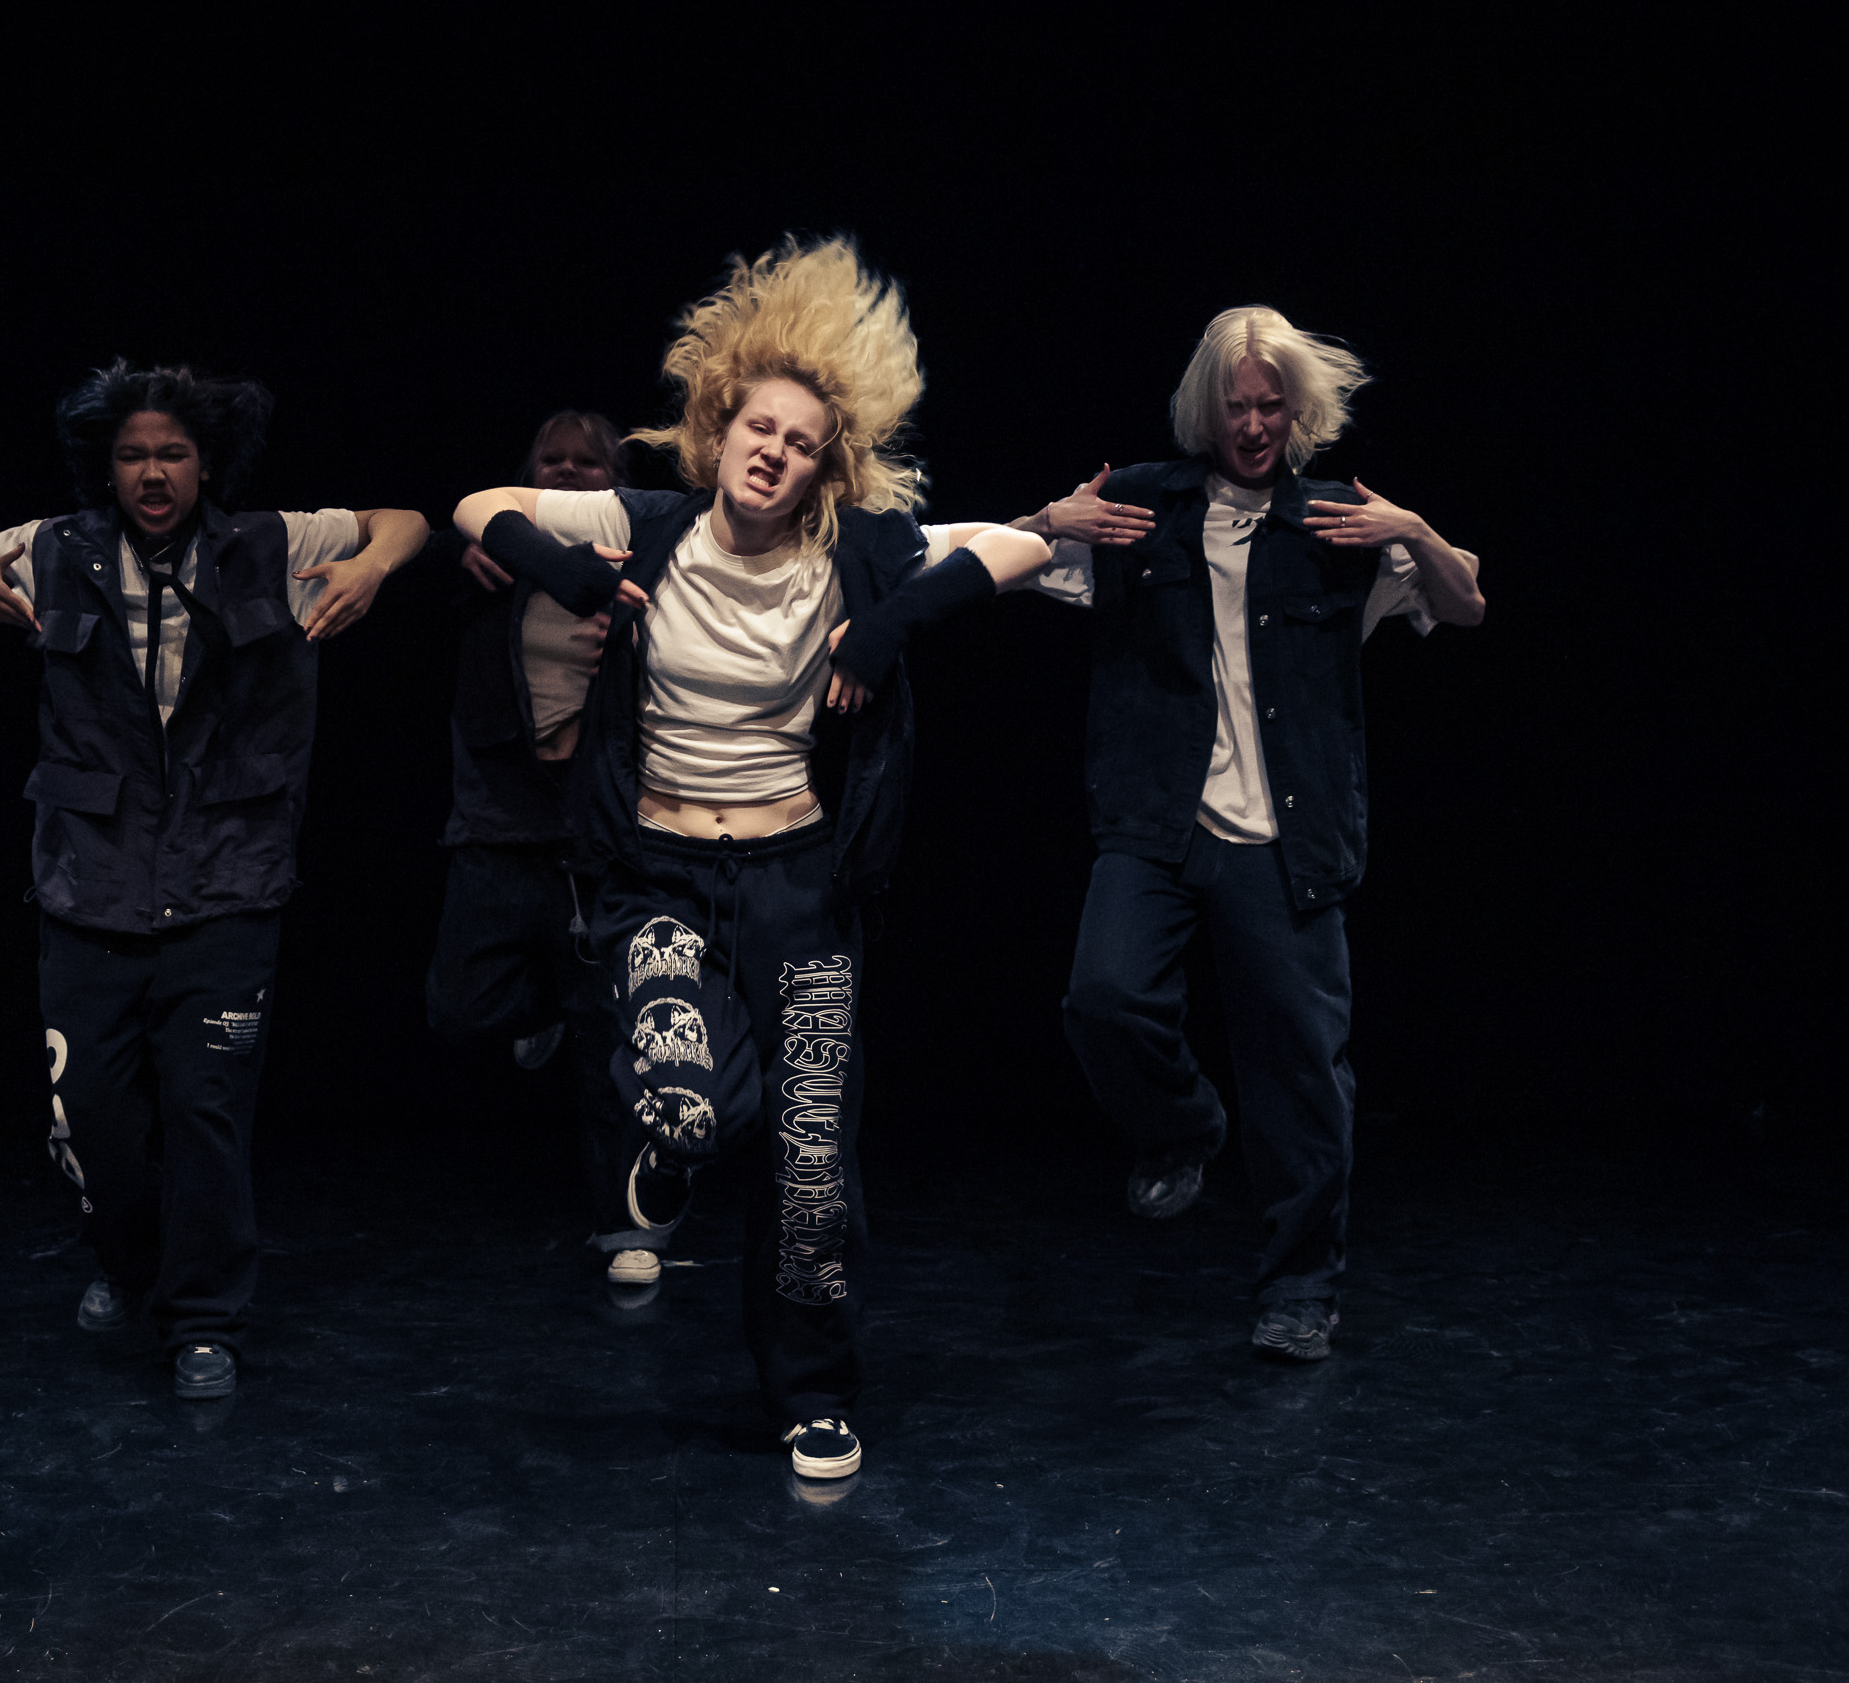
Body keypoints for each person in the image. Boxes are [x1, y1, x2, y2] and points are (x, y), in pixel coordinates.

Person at [452, 237, 1051, 1480]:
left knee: (813, 1158)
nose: (774, 451)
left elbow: (1023, 548)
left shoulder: (855, 550)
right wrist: (567, 573)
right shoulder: (649, 523)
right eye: (758, 427)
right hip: (658, 878)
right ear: (718, 426)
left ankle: (812, 1393)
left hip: (800, 888)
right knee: (688, 1094)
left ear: (827, 463)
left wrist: (885, 625)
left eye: (802, 441)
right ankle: (664, 1150)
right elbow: (477, 507)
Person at [0, 361, 427, 1400]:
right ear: (105, 466)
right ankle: (131, 1264)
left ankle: (204, 1320)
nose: (152, 472)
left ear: (207, 462)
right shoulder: (57, 547)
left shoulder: (271, 542)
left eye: (171, 453)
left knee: (208, 1111)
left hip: (226, 875)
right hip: (91, 878)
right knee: (90, 1119)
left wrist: (372, 567)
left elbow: (406, 519)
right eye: (132, 455)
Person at [1014, 307, 1485, 1363]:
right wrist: (1046, 520)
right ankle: (1182, 1124)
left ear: (1297, 409)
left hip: (1287, 837)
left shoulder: (1339, 521)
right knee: (1103, 996)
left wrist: (1413, 529)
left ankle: (1299, 1290)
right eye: (1238, 406)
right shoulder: (1141, 505)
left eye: (1273, 405)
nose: (1256, 425)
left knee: (1303, 1074)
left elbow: (1465, 606)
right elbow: (989, 565)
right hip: (1159, 819)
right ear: (1207, 410)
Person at [417, 411, 673, 1285]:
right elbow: (422, 552)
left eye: (587, 463)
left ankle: (628, 1227)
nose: (566, 474)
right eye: (551, 461)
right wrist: (465, 556)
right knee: (460, 1006)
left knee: (614, 1042)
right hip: (500, 818)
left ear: (617, 479)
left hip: (601, 827)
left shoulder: (647, 557)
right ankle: (541, 1010)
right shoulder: (490, 558)